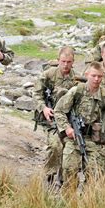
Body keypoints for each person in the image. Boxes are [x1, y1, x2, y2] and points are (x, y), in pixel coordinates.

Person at [54, 62, 105, 185]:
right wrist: (67, 128)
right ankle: (69, 199)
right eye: (93, 76)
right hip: (74, 137)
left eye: (99, 76)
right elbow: (59, 111)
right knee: (69, 169)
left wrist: (102, 126)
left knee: (95, 173)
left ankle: (88, 201)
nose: (96, 79)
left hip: (94, 141)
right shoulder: (77, 91)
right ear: (87, 75)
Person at [33, 46, 79, 187]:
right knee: (55, 145)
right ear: (58, 60)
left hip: (67, 119)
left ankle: (63, 176)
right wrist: (44, 108)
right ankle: (49, 174)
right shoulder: (48, 75)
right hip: (51, 119)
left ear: (73, 62)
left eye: (69, 62)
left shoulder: (76, 79)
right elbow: (36, 94)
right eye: (63, 61)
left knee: (68, 147)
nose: (66, 65)